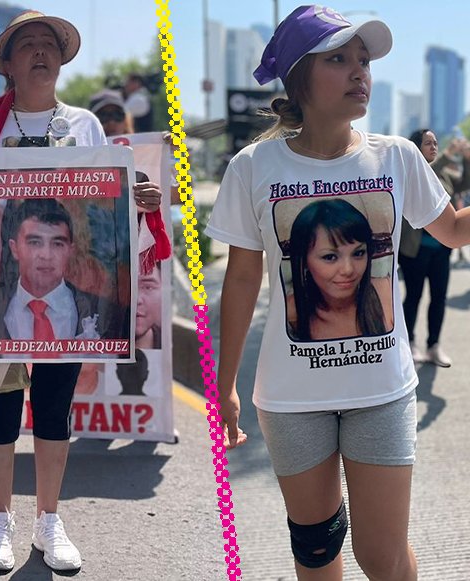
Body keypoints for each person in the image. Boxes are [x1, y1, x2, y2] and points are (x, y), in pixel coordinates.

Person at [207, 7, 470, 580]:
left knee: (382, 557)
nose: (360, 72)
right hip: (290, 399)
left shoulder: (397, 156)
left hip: (382, 390)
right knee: (318, 550)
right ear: (299, 78)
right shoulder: (253, 168)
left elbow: (451, 230)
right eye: (339, 59)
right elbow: (243, 279)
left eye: (364, 61)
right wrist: (224, 385)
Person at [0, 10, 164, 573]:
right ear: (7, 63)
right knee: (2, 413)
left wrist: (138, 198)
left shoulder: (86, 127)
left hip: (63, 298)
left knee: (54, 411)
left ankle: (48, 520)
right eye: (27, 44)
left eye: (49, 44)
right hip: (1, 303)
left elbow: (105, 210)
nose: (40, 52)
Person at [0, 199, 120, 348]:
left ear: (70, 251)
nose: (46, 255)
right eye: (35, 242)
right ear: (14, 249)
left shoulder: (105, 313)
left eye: (57, 244)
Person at [399, 129, 470, 366]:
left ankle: (434, 346)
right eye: (428, 143)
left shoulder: (445, 172)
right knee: (414, 296)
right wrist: (448, 156)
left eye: (436, 143)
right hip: (414, 249)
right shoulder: (410, 171)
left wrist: (467, 160)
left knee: (438, 297)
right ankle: (409, 343)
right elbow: (426, 173)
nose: (434, 147)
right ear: (414, 148)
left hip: (441, 249)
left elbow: (464, 185)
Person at [285, 199, 392, 341]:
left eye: (358, 253)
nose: (348, 270)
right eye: (330, 257)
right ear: (304, 261)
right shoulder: (292, 311)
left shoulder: (385, 292)